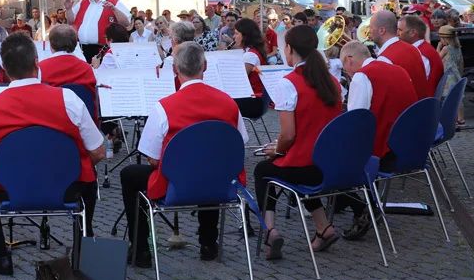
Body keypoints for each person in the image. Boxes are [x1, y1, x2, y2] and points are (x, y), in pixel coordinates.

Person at [0, 34, 104, 275]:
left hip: (10, 189)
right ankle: (83, 247)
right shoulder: (68, 99)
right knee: (88, 175)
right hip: (65, 186)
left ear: (4, 69)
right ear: (37, 63)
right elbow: (98, 152)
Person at [120, 42, 248, 266]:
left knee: (129, 175)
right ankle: (208, 243)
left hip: (176, 185)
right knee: (211, 164)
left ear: (174, 69)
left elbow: (153, 159)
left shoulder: (164, 107)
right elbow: (238, 146)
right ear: (205, 66)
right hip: (219, 184)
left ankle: (140, 250)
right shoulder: (229, 103)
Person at [254, 25, 343, 261]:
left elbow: (289, 135)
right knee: (290, 169)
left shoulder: (289, 83)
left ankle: (270, 232)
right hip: (329, 163)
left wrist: (277, 150)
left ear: (289, 49)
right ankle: (323, 227)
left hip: (307, 165)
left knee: (263, 170)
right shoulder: (332, 81)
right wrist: (282, 147)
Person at [338, 40, 418, 239]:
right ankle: (347, 201)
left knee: (326, 159)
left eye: (343, 67)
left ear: (348, 60)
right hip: (408, 148)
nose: (345, 72)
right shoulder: (398, 70)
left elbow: (355, 121)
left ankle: (361, 208)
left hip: (383, 153)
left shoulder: (362, 76)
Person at [64, 0, 131, 63]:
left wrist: (114, 9)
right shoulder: (83, 2)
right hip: (81, 49)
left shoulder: (115, 3)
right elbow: (71, 21)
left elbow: (126, 23)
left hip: (102, 50)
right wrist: (69, 9)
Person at [39, 25, 97, 120]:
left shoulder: (41, 68)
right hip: (83, 121)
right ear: (75, 45)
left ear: (51, 45)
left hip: (52, 121)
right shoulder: (87, 68)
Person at [367, 10, 428, 100]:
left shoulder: (384, 59)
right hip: (419, 105)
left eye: (371, 28)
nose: (369, 31)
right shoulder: (414, 49)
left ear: (382, 30)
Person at [398, 15, 443, 99]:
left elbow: (414, 83)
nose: (397, 34)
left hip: (423, 101)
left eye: (400, 30)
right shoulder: (424, 49)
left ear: (413, 33)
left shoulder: (420, 54)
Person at [232, 18, 269, 119]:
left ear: (245, 35)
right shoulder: (253, 51)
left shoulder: (250, 55)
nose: (234, 37)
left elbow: (239, 80)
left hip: (254, 102)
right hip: (257, 100)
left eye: (236, 33)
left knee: (219, 104)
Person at [438, 25, 465, 125]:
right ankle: (461, 118)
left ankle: (448, 116)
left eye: (441, 38)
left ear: (445, 39)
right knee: (458, 97)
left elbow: (437, 58)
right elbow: (461, 62)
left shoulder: (446, 48)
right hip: (455, 74)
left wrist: (438, 47)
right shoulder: (457, 48)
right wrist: (460, 72)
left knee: (446, 97)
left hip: (448, 76)